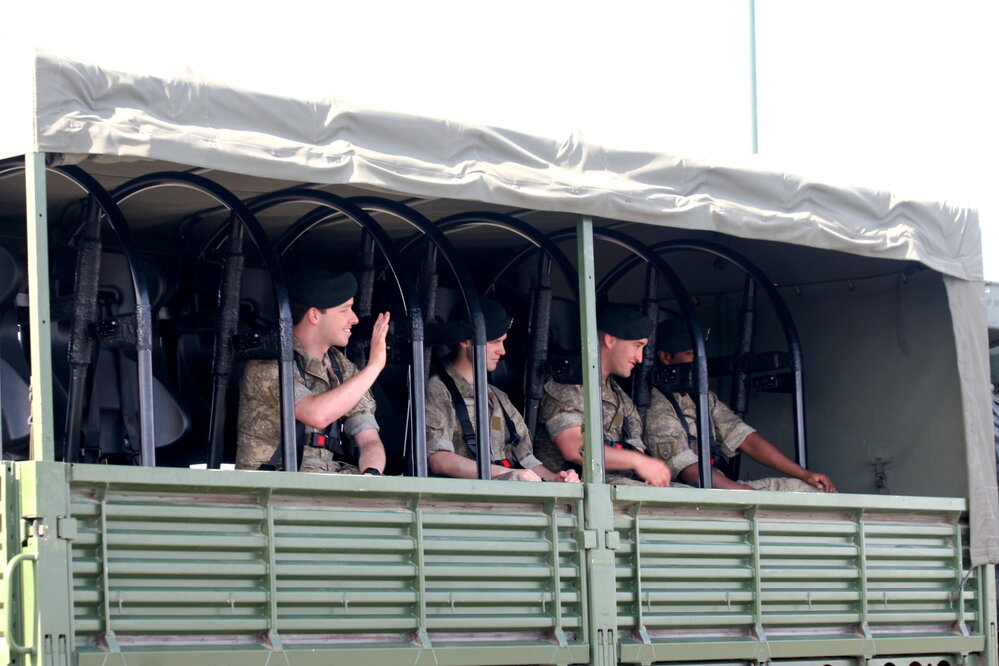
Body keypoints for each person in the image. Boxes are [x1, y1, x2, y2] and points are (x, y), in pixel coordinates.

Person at [644, 318, 836, 492]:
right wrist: (742, 493)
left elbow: (744, 438)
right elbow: (689, 471)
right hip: (689, 493)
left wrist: (804, 474)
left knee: (813, 489)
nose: (697, 362)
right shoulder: (657, 403)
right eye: (689, 354)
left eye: (699, 355)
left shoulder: (701, 397)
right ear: (666, 357)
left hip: (724, 488)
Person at [235, 269, 390, 474]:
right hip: (272, 482)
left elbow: (369, 438)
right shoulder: (268, 364)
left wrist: (371, 473)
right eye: (345, 310)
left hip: (325, 476)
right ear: (314, 315)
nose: (354, 319)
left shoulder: (342, 367)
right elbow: (316, 415)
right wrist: (374, 367)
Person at [425, 298, 579, 482]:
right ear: (466, 341)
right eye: (495, 342)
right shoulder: (438, 390)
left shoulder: (498, 397)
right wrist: (502, 472)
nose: (502, 351)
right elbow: (439, 459)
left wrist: (555, 478)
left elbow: (525, 459)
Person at [534, 305, 672, 486]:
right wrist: (637, 461)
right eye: (636, 346)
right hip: (577, 487)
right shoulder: (567, 386)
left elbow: (635, 446)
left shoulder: (620, 397)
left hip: (616, 485)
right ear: (610, 340)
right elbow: (574, 448)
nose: (639, 358)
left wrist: (646, 468)